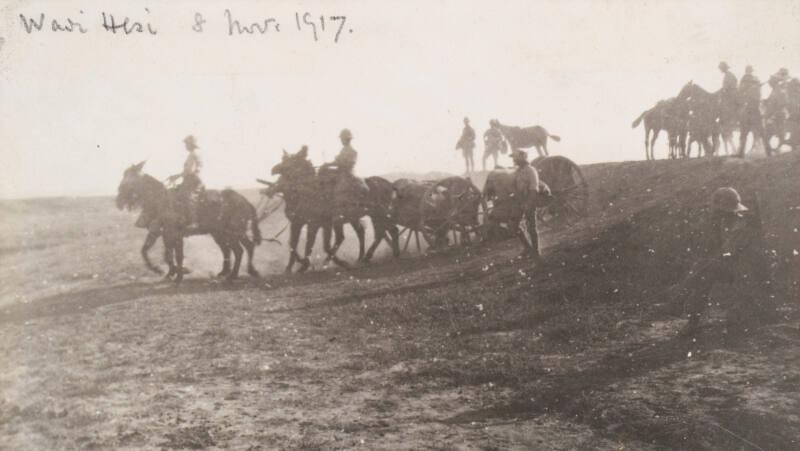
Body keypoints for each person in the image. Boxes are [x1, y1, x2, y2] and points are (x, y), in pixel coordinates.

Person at [676, 187, 772, 334]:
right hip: (734, 267)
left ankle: (750, 313)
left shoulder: (741, 224)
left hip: (750, 272)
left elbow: (728, 252)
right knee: (703, 272)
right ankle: (693, 319)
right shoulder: (720, 223)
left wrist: (704, 267)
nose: (716, 213)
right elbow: (710, 249)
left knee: (737, 320)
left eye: (719, 211)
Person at [511, 150, 545, 261]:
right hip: (520, 201)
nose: (514, 160)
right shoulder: (517, 171)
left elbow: (534, 189)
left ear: (522, 159)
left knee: (531, 227)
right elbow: (513, 186)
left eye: (515, 158)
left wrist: (528, 203)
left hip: (530, 200)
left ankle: (536, 251)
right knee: (514, 225)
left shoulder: (531, 170)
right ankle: (527, 248)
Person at [167, 135, 204, 229]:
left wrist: (176, 176)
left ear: (191, 144)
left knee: (188, 197)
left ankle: (194, 222)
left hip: (193, 180)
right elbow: (187, 171)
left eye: (186, 144)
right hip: (189, 179)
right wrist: (175, 176)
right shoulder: (191, 154)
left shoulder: (194, 154)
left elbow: (192, 170)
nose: (185, 146)